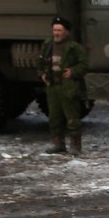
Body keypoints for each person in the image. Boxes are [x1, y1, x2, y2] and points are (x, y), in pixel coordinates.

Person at [38, 16, 89, 155]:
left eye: (59, 30)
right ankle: (58, 144)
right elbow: (40, 62)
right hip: (52, 86)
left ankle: (75, 146)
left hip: (68, 87)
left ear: (66, 32)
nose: (56, 33)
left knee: (72, 118)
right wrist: (42, 73)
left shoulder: (74, 48)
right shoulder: (48, 45)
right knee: (54, 117)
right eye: (55, 30)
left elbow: (84, 65)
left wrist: (72, 72)